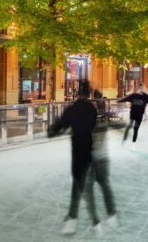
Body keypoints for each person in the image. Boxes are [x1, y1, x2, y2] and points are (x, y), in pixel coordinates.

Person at [48, 81, 101, 236]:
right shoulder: (92, 109)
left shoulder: (73, 109)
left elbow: (61, 125)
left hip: (77, 152)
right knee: (82, 187)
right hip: (89, 152)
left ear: (77, 93)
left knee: (79, 187)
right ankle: (77, 220)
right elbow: (92, 127)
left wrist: (52, 131)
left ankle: (87, 221)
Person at [90, 90, 119, 229]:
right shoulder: (104, 118)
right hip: (103, 157)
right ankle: (112, 214)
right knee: (105, 187)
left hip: (93, 158)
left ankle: (96, 221)